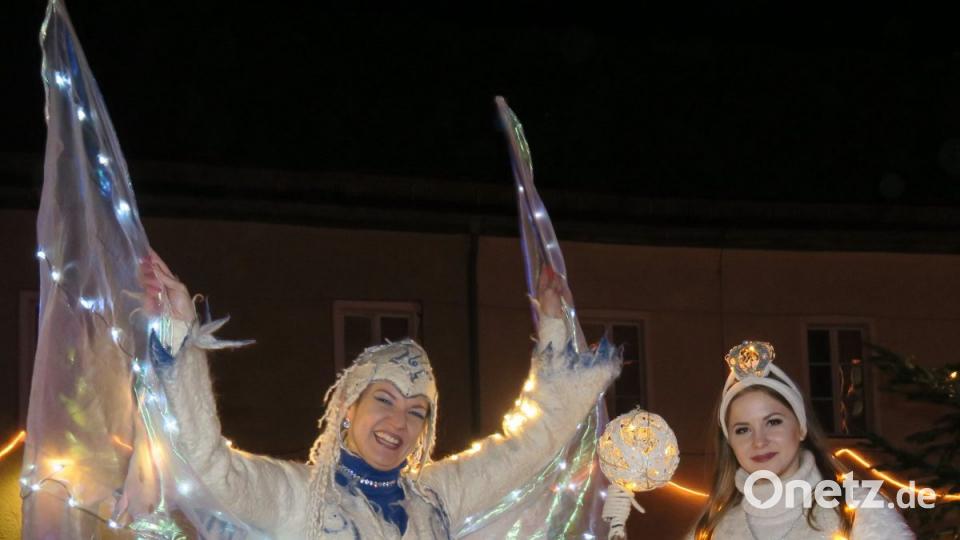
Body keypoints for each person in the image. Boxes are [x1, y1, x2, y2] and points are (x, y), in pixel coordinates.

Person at [140, 252, 619, 539]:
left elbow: (530, 447)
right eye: (384, 400)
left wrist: (555, 327)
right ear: (348, 406)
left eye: (417, 412)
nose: (399, 424)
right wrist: (178, 336)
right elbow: (207, 466)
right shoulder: (296, 496)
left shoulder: (436, 497)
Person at [689, 341, 915, 539]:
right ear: (730, 442)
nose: (759, 441)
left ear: (801, 428)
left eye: (773, 422)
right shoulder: (713, 529)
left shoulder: (859, 511)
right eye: (742, 430)